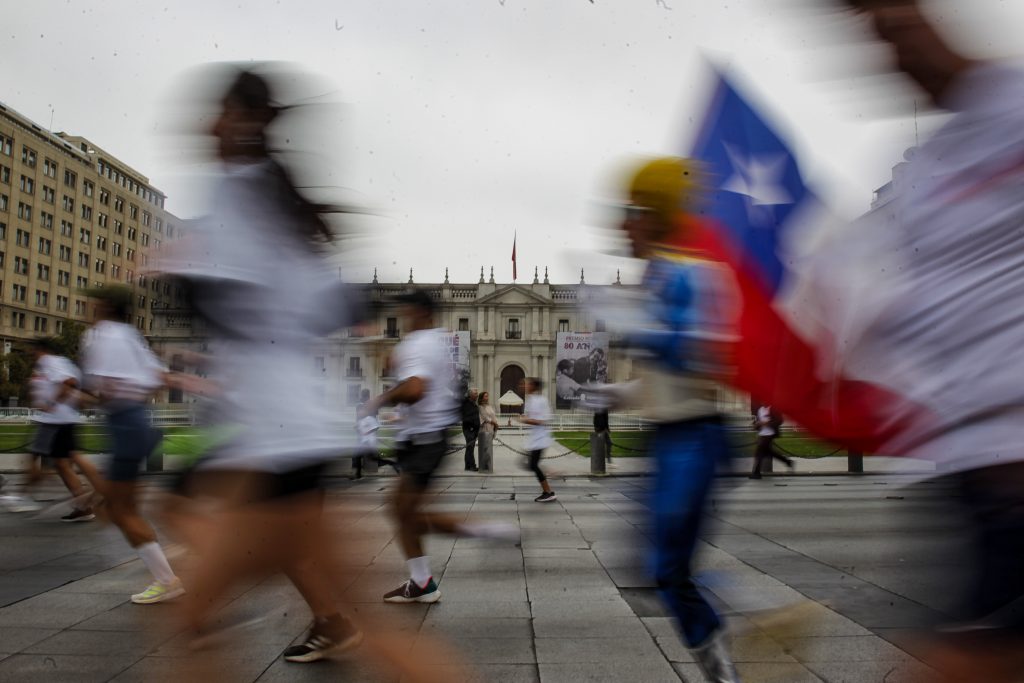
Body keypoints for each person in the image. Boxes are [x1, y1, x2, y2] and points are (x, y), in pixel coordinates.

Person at [814, 2, 1024, 679]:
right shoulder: (926, 168)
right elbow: (913, 303)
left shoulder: (1016, 106)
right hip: (967, 469)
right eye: (873, 37)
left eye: (893, 27)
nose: (889, 54)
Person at [588, 157, 740, 682]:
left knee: (669, 568)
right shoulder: (659, 275)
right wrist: (614, 392)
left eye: (629, 212)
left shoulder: (694, 273)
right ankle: (728, 647)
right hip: (670, 437)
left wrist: (635, 322)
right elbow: (663, 378)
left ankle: (731, 656)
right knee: (659, 568)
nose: (620, 225)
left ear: (654, 214)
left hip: (696, 437)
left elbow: (700, 355)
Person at [366, 289, 516, 604]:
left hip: (423, 439)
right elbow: (412, 376)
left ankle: (485, 532)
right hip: (426, 438)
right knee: (402, 510)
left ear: (420, 312)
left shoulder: (419, 343)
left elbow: (416, 389)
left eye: (405, 313)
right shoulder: (437, 341)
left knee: (407, 512)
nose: (402, 320)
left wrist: (380, 399)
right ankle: (422, 582)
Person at [80, 286, 183, 604]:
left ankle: (167, 579)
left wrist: (83, 396)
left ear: (104, 307)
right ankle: (166, 569)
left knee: (119, 509)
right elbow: (157, 379)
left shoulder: (101, 336)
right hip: (140, 421)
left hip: (124, 424)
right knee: (123, 507)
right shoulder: (130, 335)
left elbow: (101, 386)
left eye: (94, 304)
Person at [0, 338, 99, 520]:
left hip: (53, 421)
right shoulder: (57, 363)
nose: (31, 355)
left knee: (36, 458)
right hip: (58, 420)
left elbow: (69, 382)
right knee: (61, 464)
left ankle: (24, 496)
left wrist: (50, 403)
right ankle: (84, 505)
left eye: (32, 351)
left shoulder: (50, 362)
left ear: (40, 350)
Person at [519, 377, 556, 502]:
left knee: (533, 465)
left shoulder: (542, 400)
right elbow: (529, 416)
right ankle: (549, 477)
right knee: (530, 464)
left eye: (527, 384)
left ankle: (548, 492)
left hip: (541, 438)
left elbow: (542, 420)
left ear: (534, 386)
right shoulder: (529, 400)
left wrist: (525, 420)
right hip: (535, 439)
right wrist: (525, 418)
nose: (524, 386)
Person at [748, 405, 791, 479]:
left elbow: (780, 420)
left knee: (759, 453)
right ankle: (787, 461)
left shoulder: (774, 408)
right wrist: (755, 425)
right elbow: (758, 421)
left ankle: (756, 473)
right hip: (761, 434)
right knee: (768, 452)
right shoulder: (760, 409)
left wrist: (767, 423)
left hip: (770, 434)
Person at [477, 391, 498, 472]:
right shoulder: (480, 407)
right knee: (485, 447)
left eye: (487, 396)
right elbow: (485, 417)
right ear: (482, 397)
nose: (487, 397)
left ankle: (487, 464)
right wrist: (494, 423)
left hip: (491, 427)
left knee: (488, 446)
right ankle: (484, 465)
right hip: (485, 427)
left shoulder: (489, 406)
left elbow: (493, 415)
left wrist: (496, 424)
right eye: (485, 396)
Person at [460, 387, 480, 471]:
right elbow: (465, 416)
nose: (477, 395)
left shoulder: (474, 403)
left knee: (469, 448)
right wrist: (472, 426)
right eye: (475, 393)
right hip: (469, 428)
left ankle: (467, 466)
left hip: (474, 429)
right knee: (470, 447)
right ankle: (472, 466)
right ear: (470, 395)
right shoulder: (466, 403)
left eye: (477, 393)